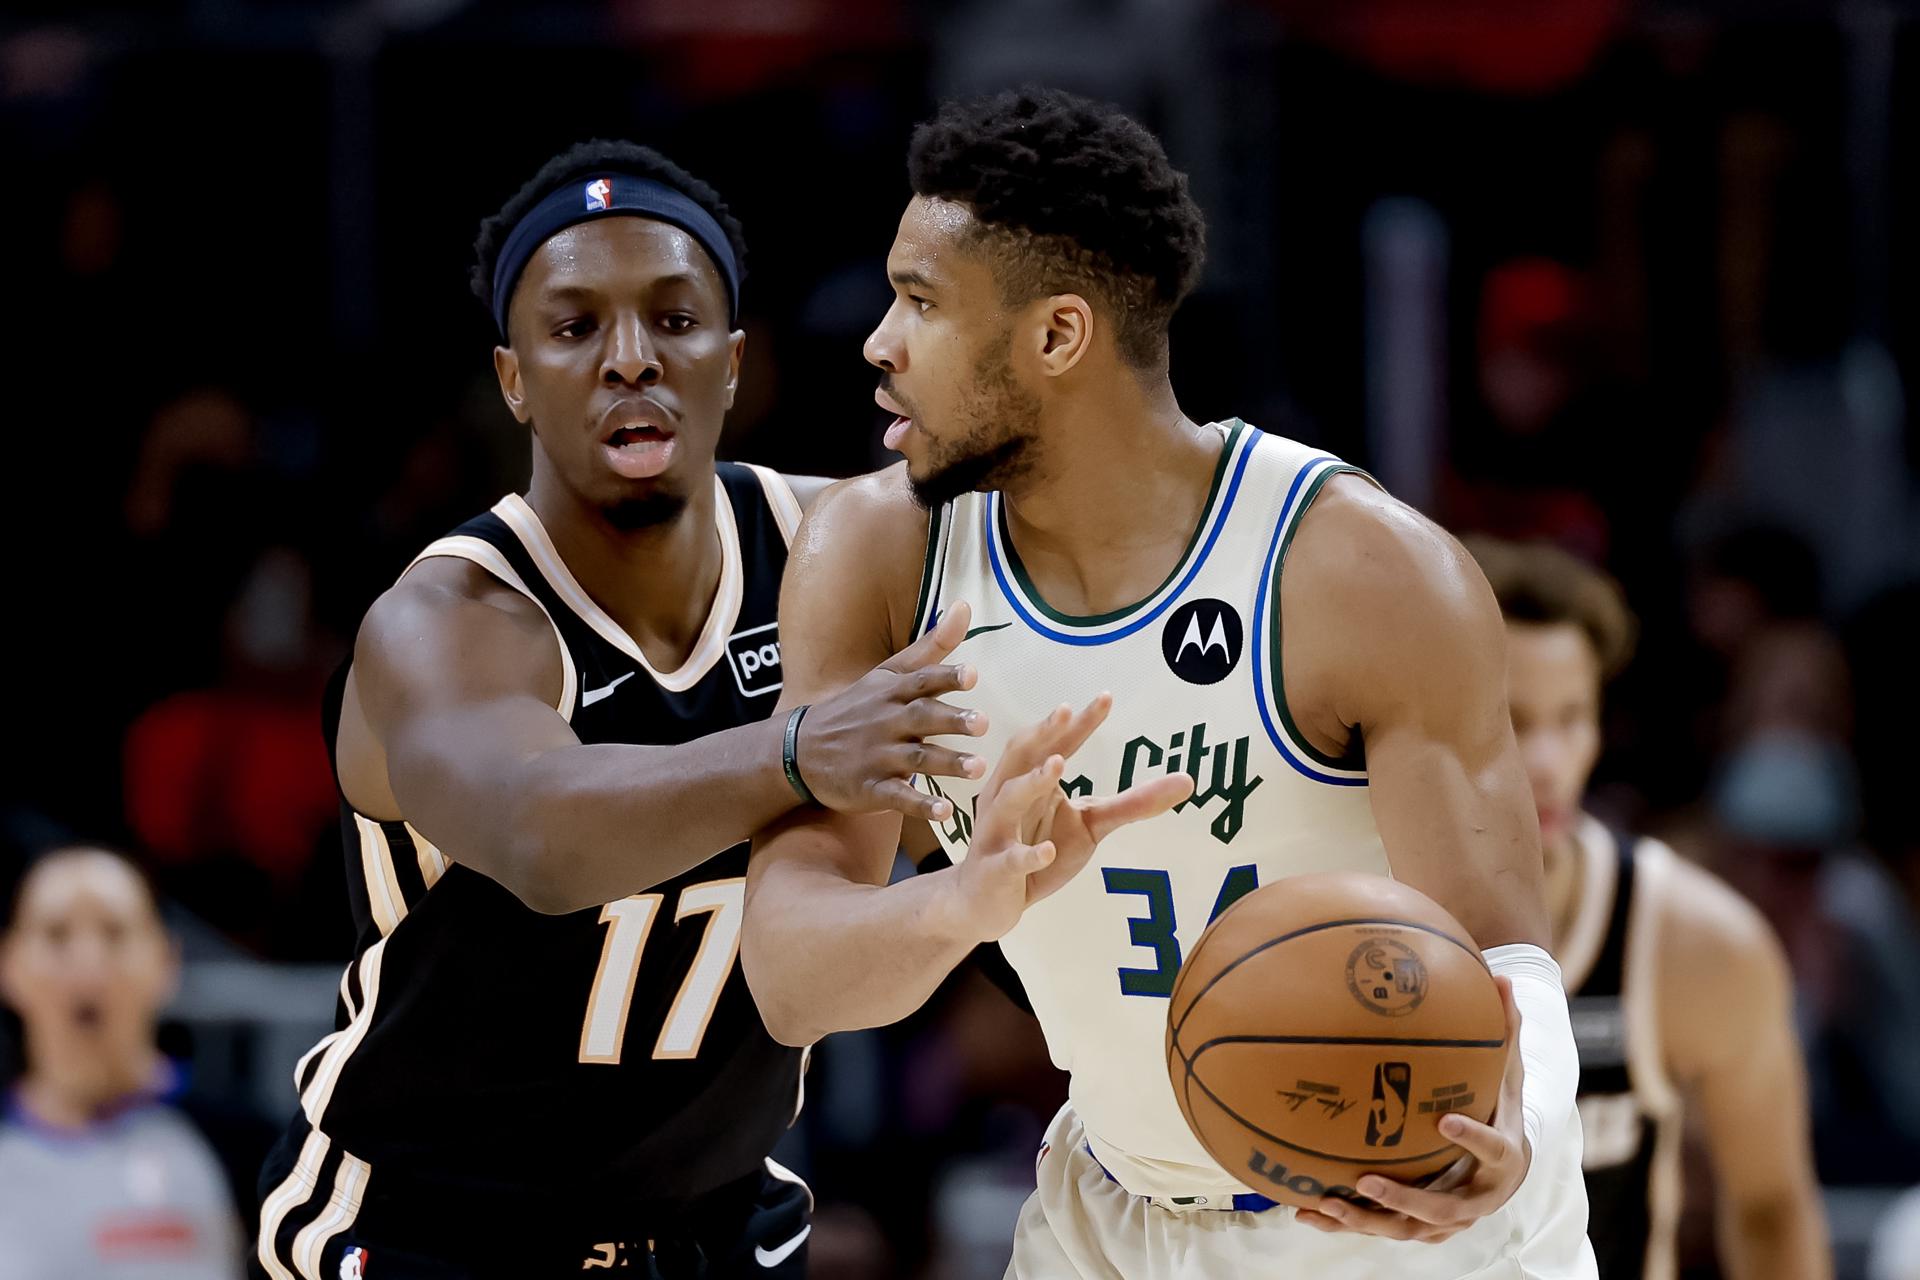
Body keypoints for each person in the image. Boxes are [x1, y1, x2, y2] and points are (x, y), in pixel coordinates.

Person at [742, 88, 1593, 1278]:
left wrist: (1515, 1124)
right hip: (1112, 1209)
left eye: (922, 302)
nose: (879, 340)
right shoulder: (875, 561)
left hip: (1396, 1225)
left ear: (1057, 336)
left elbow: (1506, 956)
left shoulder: (1359, 571)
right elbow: (791, 979)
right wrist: (961, 904)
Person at [255, 139, 990, 1280]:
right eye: (574, 327)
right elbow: (543, 834)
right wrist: (798, 750)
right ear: (513, 380)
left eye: (675, 320)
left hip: (714, 1225)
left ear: (734, 361)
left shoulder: (845, 553)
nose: (630, 359)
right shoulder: (447, 620)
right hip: (430, 1228)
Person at [1465, 535, 1831, 1280]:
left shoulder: (1697, 945)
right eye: (1512, 718)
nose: (1546, 760)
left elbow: (1771, 1208)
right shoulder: (1359, 921)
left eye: (1571, 719)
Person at [0, 846, 243, 1279]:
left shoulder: (246, 1152)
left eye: (114, 933)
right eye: (56, 935)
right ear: (10, 964)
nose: (88, 963)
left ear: (166, 961)